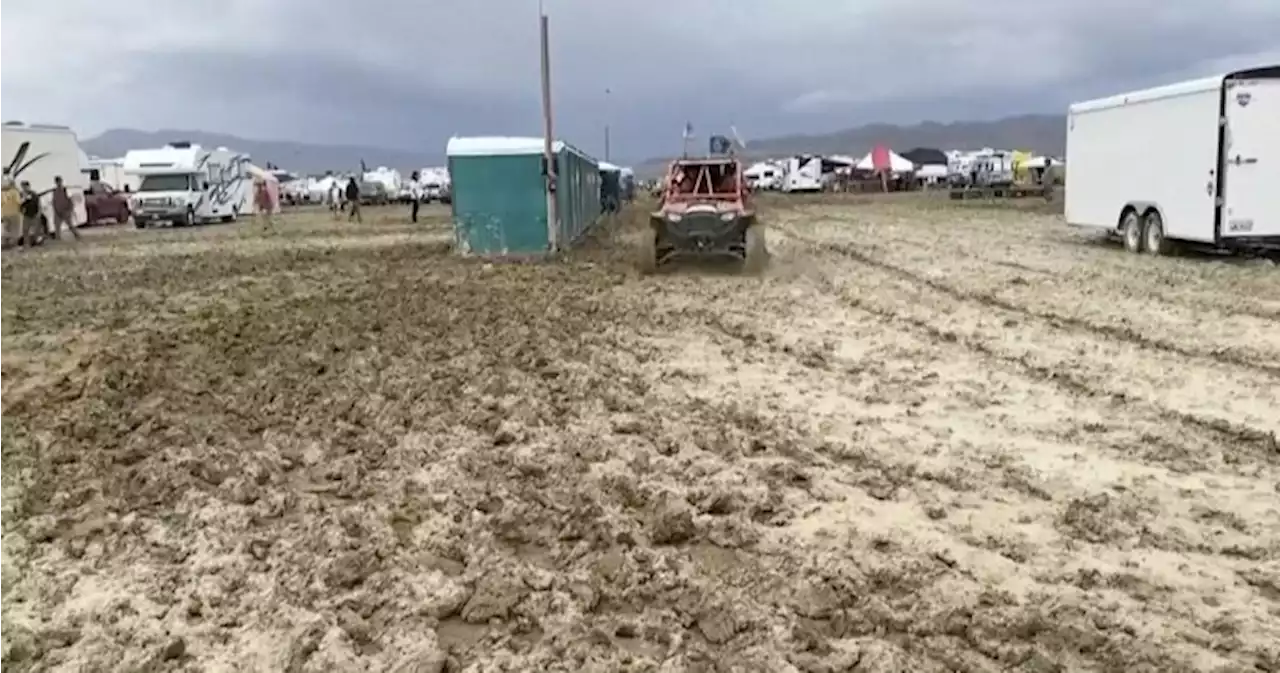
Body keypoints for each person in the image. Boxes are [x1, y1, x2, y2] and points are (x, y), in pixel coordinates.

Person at [48, 176, 81, 241]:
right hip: (57, 211)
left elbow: (70, 201)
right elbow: (54, 201)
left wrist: (69, 210)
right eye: (57, 182)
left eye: (59, 181)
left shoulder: (65, 190)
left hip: (65, 211)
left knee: (70, 225)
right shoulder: (55, 191)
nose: (58, 183)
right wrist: (55, 210)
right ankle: (58, 239)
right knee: (57, 226)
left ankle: (77, 235)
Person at [18, 181, 45, 247]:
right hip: (27, 215)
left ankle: (37, 241)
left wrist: (39, 213)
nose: (24, 188)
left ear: (28, 186)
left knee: (36, 230)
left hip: (34, 214)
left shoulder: (34, 194)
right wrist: (21, 210)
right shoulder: (21, 195)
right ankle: (27, 244)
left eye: (25, 186)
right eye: (23, 187)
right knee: (25, 230)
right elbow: (20, 205)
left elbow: (39, 204)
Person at [0, 174, 19, 249]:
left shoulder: (2, 193)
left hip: (4, 214)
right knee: (13, 230)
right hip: (13, 213)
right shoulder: (14, 192)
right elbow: (18, 202)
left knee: (5, 229)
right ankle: (11, 245)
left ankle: (4, 244)